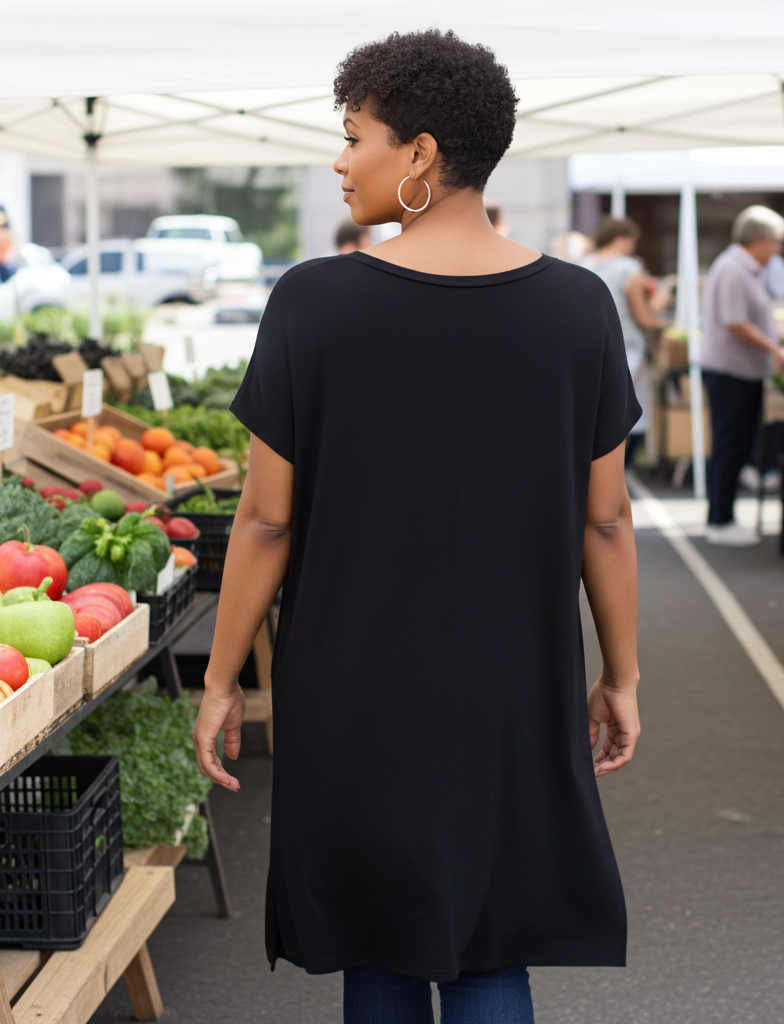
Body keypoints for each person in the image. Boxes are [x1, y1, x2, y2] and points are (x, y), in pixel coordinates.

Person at [191, 29, 641, 1024]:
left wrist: (221, 680)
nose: (341, 159)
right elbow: (603, 523)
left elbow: (265, 523)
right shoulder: (577, 309)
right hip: (513, 683)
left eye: (354, 135)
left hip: (351, 685)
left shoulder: (314, 303)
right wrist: (621, 674)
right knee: (492, 948)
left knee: (378, 949)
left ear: (422, 155)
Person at [701, 205, 784, 546]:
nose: (778, 250)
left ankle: (723, 516)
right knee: (730, 444)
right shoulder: (735, 270)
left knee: (736, 444)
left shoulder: (745, 270)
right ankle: (719, 520)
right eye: (776, 242)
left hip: (741, 370)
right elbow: (735, 322)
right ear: (758, 240)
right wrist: (774, 350)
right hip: (730, 370)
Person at [581, 216, 665, 468]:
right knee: (632, 413)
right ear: (623, 239)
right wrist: (662, 303)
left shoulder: (583, 264)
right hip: (627, 347)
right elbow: (644, 317)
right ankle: (621, 471)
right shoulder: (629, 268)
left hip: (590, 348)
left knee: (598, 414)